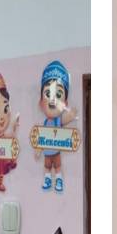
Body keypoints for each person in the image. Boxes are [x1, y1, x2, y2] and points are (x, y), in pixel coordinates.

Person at [38, 60, 76, 193]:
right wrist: (38, 150)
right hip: (46, 152)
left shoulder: (57, 121)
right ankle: (47, 179)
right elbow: (40, 137)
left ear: (65, 103)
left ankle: (59, 179)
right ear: (41, 103)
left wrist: (71, 115)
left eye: (58, 95)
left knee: (58, 165)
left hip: (56, 151)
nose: (53, 100)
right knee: (47, 165)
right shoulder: (44, 123)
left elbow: (65, 119)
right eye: (48, 94)